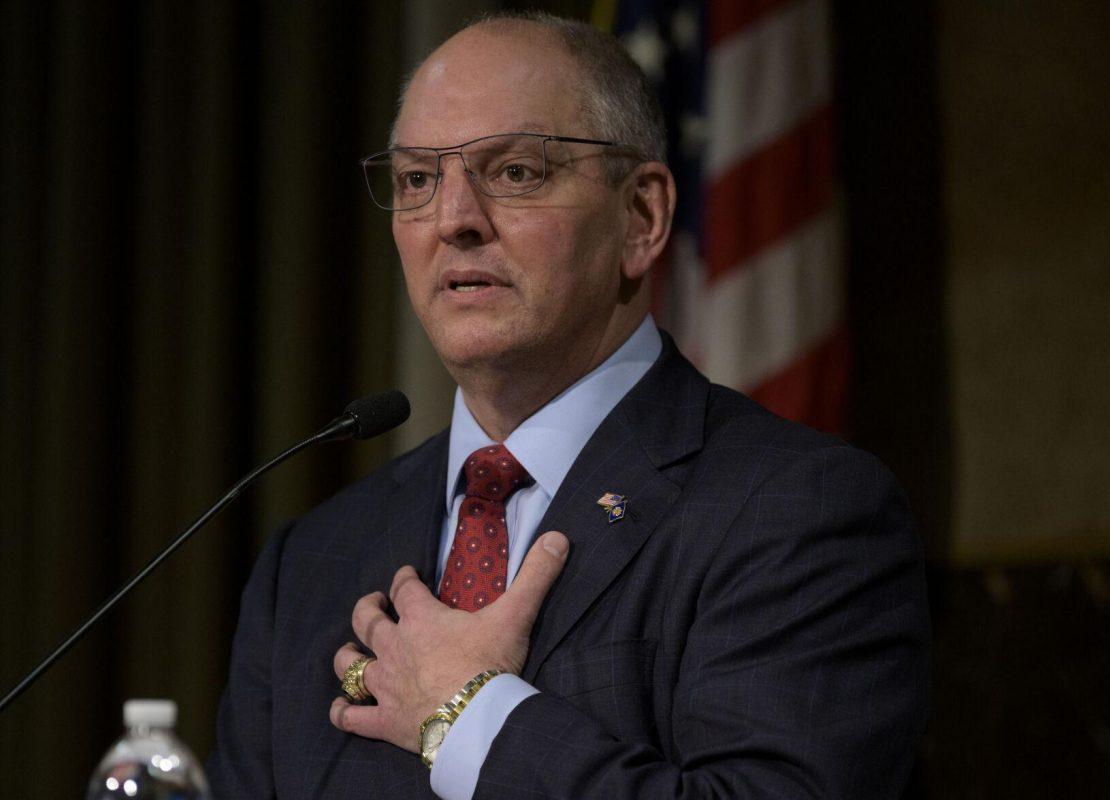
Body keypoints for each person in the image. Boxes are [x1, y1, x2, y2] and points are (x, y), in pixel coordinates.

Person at [208, 12, 930, 799]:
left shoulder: (798, 513)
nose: (454, 220)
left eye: (515, 171)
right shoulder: (311, 563)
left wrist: (471, 716)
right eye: (419, 179)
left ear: (642, 216)